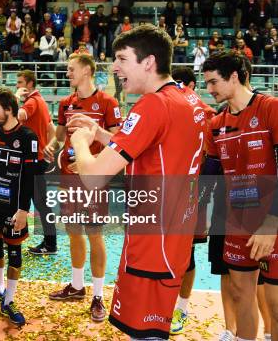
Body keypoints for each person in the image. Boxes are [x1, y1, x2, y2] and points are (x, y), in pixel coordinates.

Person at [67, 25, 206, 339]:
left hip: (151, 245)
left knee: (143, 334)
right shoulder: (188, 98)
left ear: (148, 62)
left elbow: (94, 176)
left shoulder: (153, 105)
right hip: (174, 238)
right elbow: (149, 143)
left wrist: (81, 140)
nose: (115, 68)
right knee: (153, 331)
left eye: (121, 59)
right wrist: (102, 133)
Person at [202, 51, 278, 341]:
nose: (209, 89)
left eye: (213, 82)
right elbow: (208, 176)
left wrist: (271, 223)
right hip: (236, 222)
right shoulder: (215, 124)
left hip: (276, 225)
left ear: (235, 76)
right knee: (241, 298)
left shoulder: (272, 108)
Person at [45, 53, 122, 323]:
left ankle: (98, 295)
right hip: (68, 176)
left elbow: (118, 141)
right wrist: (54, 146)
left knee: (94, 233)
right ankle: (77, 286)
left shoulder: (108, 102)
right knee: (73, 231)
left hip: (93, 179)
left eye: (71, 68)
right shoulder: (66, 103)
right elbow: (61, 132)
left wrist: (94, 162)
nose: (67, 73)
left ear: (87, 70)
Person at [0, 88, 38, 326]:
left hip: (14, 207)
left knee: (14, 253)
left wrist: (23, 210)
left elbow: (29, 177)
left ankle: (9, 300)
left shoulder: (27, 137)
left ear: (9, 110)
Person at [168, 67, 217, 335]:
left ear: (188, 85)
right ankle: (164, 302)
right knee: (167, 251)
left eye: (177, 84)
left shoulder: (207, 116)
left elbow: (213, 160)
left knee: (186, 254)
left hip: (194, 195)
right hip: (168, 195)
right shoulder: (169, 112)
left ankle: (182, 308)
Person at [15, 70, 57, 255]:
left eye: (20, 82)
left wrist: (15, 99)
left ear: (29, 84)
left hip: (33, 160)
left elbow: (18, 116)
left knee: (40, 203)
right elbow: (51, 128)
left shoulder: (32, 101)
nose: (17, 85)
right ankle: (49, 242)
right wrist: (49, 146)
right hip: (38, 159)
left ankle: (50, 244)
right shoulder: (41, 101)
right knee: (40, 202)